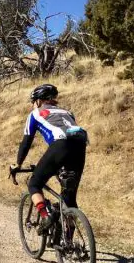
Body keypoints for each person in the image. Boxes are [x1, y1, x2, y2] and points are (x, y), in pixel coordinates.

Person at [11, 84, 88, 234]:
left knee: (34, 183)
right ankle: (70, 241)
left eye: (33, 102)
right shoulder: (68, 112)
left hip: (60, 145)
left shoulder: (35, 114)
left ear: (38, 101)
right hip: (80, 146)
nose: (33, 105)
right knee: (69, 195)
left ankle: (46, 217)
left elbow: (26, 142)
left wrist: (17, 164)